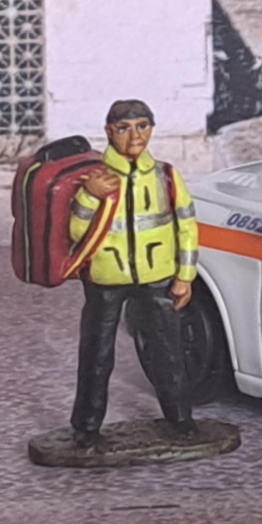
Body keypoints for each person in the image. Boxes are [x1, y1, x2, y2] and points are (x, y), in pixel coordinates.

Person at [68, 99, 200, 451]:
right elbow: (77, 231)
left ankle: (181, 420)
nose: (135, 136)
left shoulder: (165, 175)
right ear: (109, 132)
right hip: (106, 278)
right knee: (97, 354)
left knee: (169, 350)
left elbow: (187, 226)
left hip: (157, 275)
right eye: (124, 128)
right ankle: (86, 427)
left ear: (152, 129)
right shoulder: (97, 178)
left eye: (142, 126)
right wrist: (89, 197)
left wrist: (185, 276)